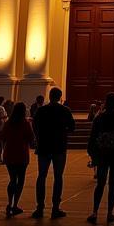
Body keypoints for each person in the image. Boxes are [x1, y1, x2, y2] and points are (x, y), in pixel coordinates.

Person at [32, 87, 75, 218]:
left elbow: (35, 126)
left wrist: (39, 138)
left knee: (41, 176)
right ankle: (55, 208)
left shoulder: (41, 110)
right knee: (58, 177)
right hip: (59, 147)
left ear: (49, 96)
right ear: (60, 97)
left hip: (44, 147)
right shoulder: (64, 110)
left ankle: (40, 208)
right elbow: (72, 127)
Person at [87, 93, 114, 223]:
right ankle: (110, 213)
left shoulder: (99, 118)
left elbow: (93, 137)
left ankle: (95, 212)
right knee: (113, 185)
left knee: (100, 184)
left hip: (101, 155)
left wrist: (92, 154)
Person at [0, 102, 35, 217]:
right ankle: (15, 205)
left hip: (9, 154)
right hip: (21, 154)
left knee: (12, 179)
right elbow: (31, 138)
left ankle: (9, 203)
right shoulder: (25, 123)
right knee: (20, 181)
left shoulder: (8, 123)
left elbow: (3, 137)